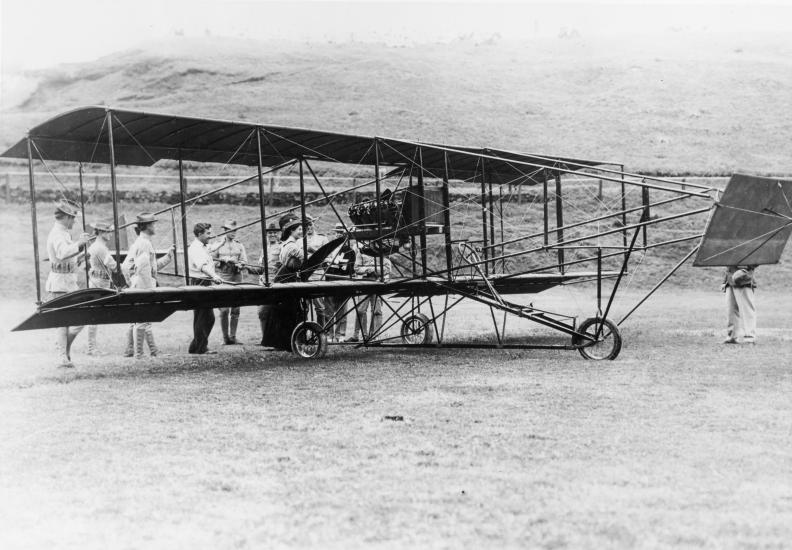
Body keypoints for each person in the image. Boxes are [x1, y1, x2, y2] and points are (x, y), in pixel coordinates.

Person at [46, 199, 92, 368]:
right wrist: (79, 243)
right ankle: (63, 357)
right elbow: (63, 252)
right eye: (72, 218)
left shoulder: (64, 232)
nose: (74, 221)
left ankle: (64, 351)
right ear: (65, 217)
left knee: (79, 319)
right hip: (59, 283)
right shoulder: (57, 233)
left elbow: (68, 258)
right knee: (62, 322)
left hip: (68, 281)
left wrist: (81, 256)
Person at [121, 213, 173, 358]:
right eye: (153, 224)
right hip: (144, 285)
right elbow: (144, 269)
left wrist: (168, 257)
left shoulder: (140, 242)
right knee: (143, 319)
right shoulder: (144, 244)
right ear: (147, 226)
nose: (155, 226)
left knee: (137, 320)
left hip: (139, 284)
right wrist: (147, 289)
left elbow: (127, 267)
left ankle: (135, 350)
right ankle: (139, 354)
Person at [260, 216, 304, 350]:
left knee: (286, 311)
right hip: (287, 277)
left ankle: (285, 341)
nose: (302, 231)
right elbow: (305, 259)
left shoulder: (286, 244)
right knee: (289, 311)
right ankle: (287, 342)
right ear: (291, 231)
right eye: (299, 229)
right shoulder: (292, 246)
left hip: (285, 277)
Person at [188, 222, 224, 354]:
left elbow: (211, 248)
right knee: (205, 316)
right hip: (200, 282)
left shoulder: (202, 245)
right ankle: (200, 347)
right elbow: (202, 266)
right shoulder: (196, 248)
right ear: (199, 234)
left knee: (202, 316)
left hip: (203, 282)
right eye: (208, 233)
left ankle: (196, 347)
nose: (211, 236)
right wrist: (214, 276)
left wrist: (222, 242)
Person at [213, 219, 248, 345]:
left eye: (235, 230)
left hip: (237, 277)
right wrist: (223, 260)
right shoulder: (218, 245)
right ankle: (225, 337)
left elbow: (244, 261)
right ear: (225, 231)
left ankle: (233, 336)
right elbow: (211, 260)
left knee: (236, 308)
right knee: (224, 309)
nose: (233, 233)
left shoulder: (239, 245)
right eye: (230, 230)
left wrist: (240, 264)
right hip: (223, 277)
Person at [85, 221, 118, 355]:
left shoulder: (96, 246)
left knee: (95, 315)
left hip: (98, 280)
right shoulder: (101, 248)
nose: (110, 234)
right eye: (108, 231)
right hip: (99, 282)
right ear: (101, 232)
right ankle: (91, 348)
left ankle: (91, 347)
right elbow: (113, 266)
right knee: (94, 315)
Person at [347, 244, 392, 342]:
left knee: (377, 310)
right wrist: (368, 269)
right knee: (361, 310)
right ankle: (359, 335)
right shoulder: (361, 252)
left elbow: (388, 268)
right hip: (365, 282)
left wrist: (375, 270)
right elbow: (356, 268)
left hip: (378, 281)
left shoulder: (381, 250)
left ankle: (375, 335)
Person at [325, 223, 355, 342]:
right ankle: (329, 335)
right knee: (329, 310)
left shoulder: (349, 251)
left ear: (345, 235)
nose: (339, 235)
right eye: (337, 232)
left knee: (341, 309)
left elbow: (349, 269)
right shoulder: (329, 248)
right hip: (329, 281)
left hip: (342, 281)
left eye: (341, 232)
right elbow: (324, 265)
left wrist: (336, 266)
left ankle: (340, 335)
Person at [722, 265, 757, 345]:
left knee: (747, 310)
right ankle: (732, 337)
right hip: (730, 279)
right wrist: (724, 281)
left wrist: (745, 267)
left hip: (744, 279)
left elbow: (757, 259)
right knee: (730, 310)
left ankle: (749, 338)